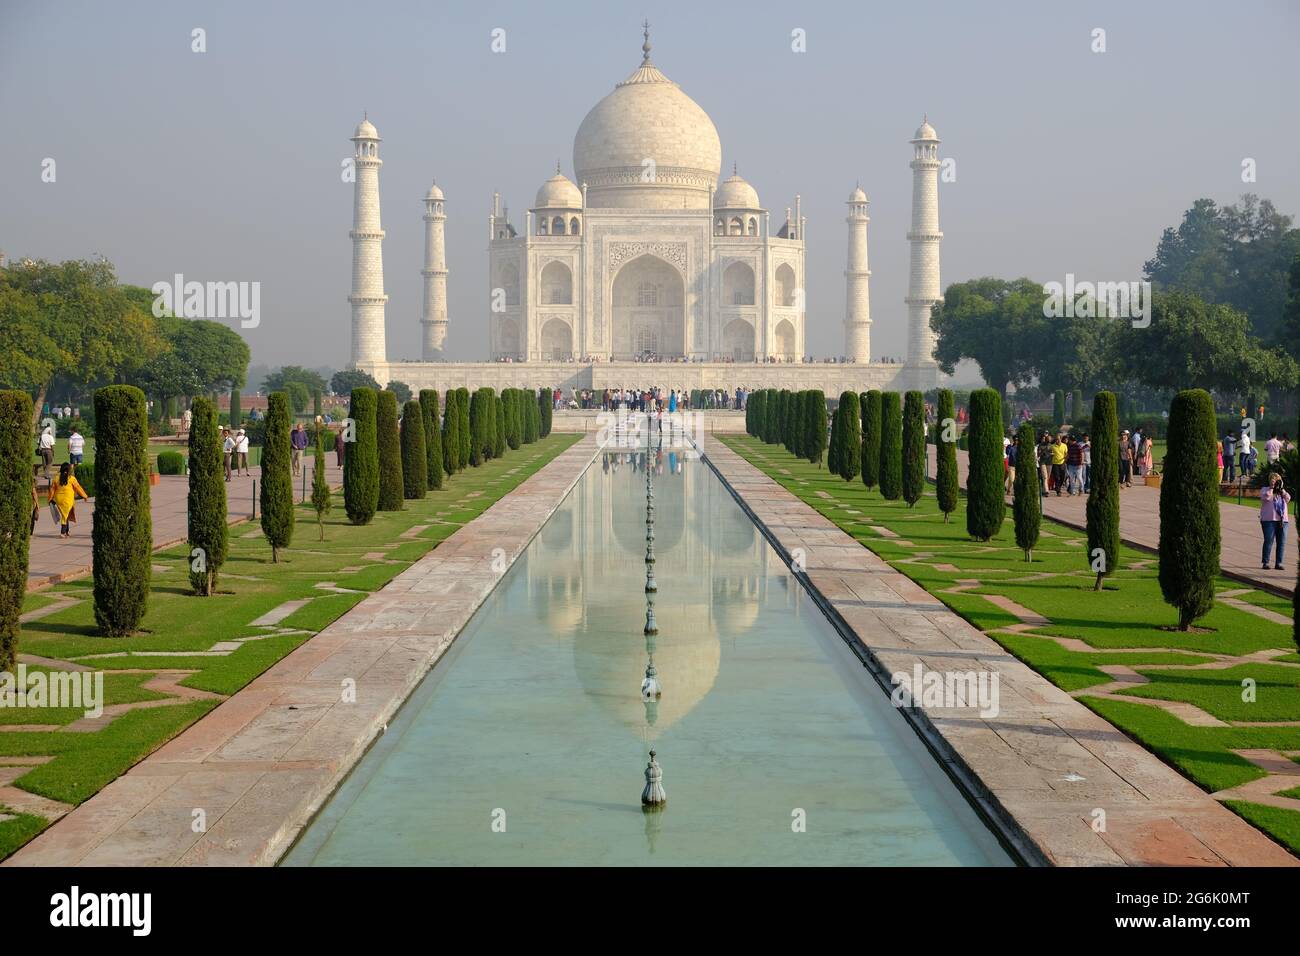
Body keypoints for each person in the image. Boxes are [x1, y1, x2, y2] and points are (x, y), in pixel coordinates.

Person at [47, 461, 88, 538]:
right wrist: (84, 495)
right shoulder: (72, 478)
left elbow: (52, 490)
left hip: (59, 500)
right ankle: (62, 533)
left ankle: (67, 531)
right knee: (65, 516)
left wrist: (50, 499)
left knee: (65, 514)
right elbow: (78, 487)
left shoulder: (56, 478)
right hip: (68, 499)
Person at [1260, 474, 1291, 570]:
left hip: (1282, 521)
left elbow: (1288, 499)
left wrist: (1282, 489)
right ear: (1269, 480)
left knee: (1281, 542)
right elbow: (1266, 497)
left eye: (1277, 480)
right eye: (1273, 480)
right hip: (1269, 520)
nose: (1275, 482)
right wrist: (1271, 488)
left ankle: (1279, 563)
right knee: (1268, 541)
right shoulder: (1265, 489)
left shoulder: (1282, 492)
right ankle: (1265, 562)